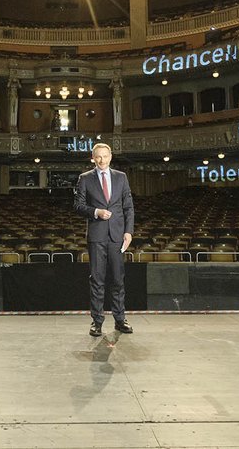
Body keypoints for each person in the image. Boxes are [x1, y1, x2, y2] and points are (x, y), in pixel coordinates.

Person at [73, 143, 134, 336]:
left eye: (105, 156)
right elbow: (78, 205)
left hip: (117, 236)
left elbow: (128, 208)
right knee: (97, 280)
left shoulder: (121, 177)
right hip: (97, 236)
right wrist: (96, 212)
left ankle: (119, 319)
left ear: (110, 157)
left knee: (118, 279)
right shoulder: (85, 179)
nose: (102, 160)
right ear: (93, 158)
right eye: (98, 157)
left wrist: (129, 231)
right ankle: (97, 322)